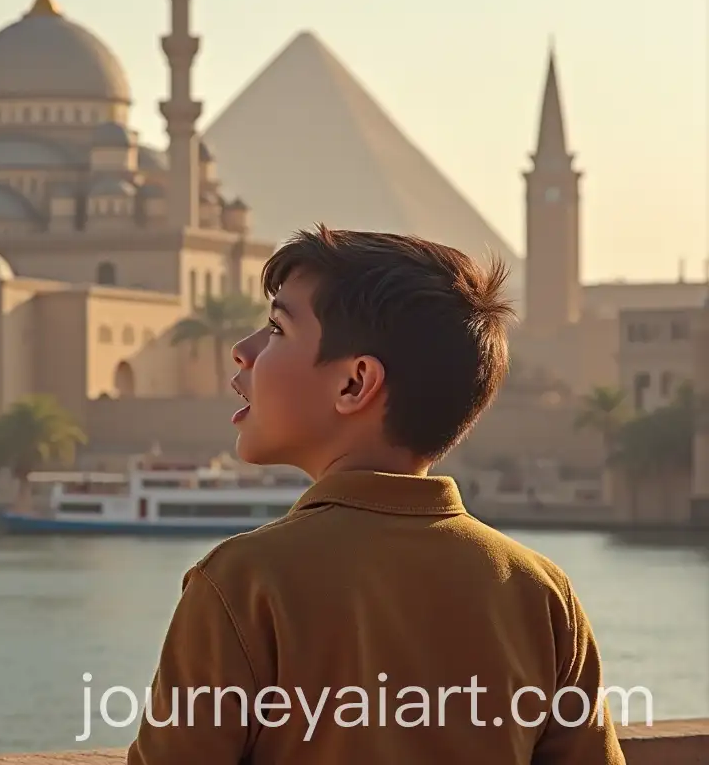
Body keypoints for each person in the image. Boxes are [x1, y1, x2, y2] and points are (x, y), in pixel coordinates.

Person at [126, 226, 624, 764]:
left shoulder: (242, 584)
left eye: (275, 328)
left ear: (355, 384)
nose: (242, 351)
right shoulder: (540, 594)